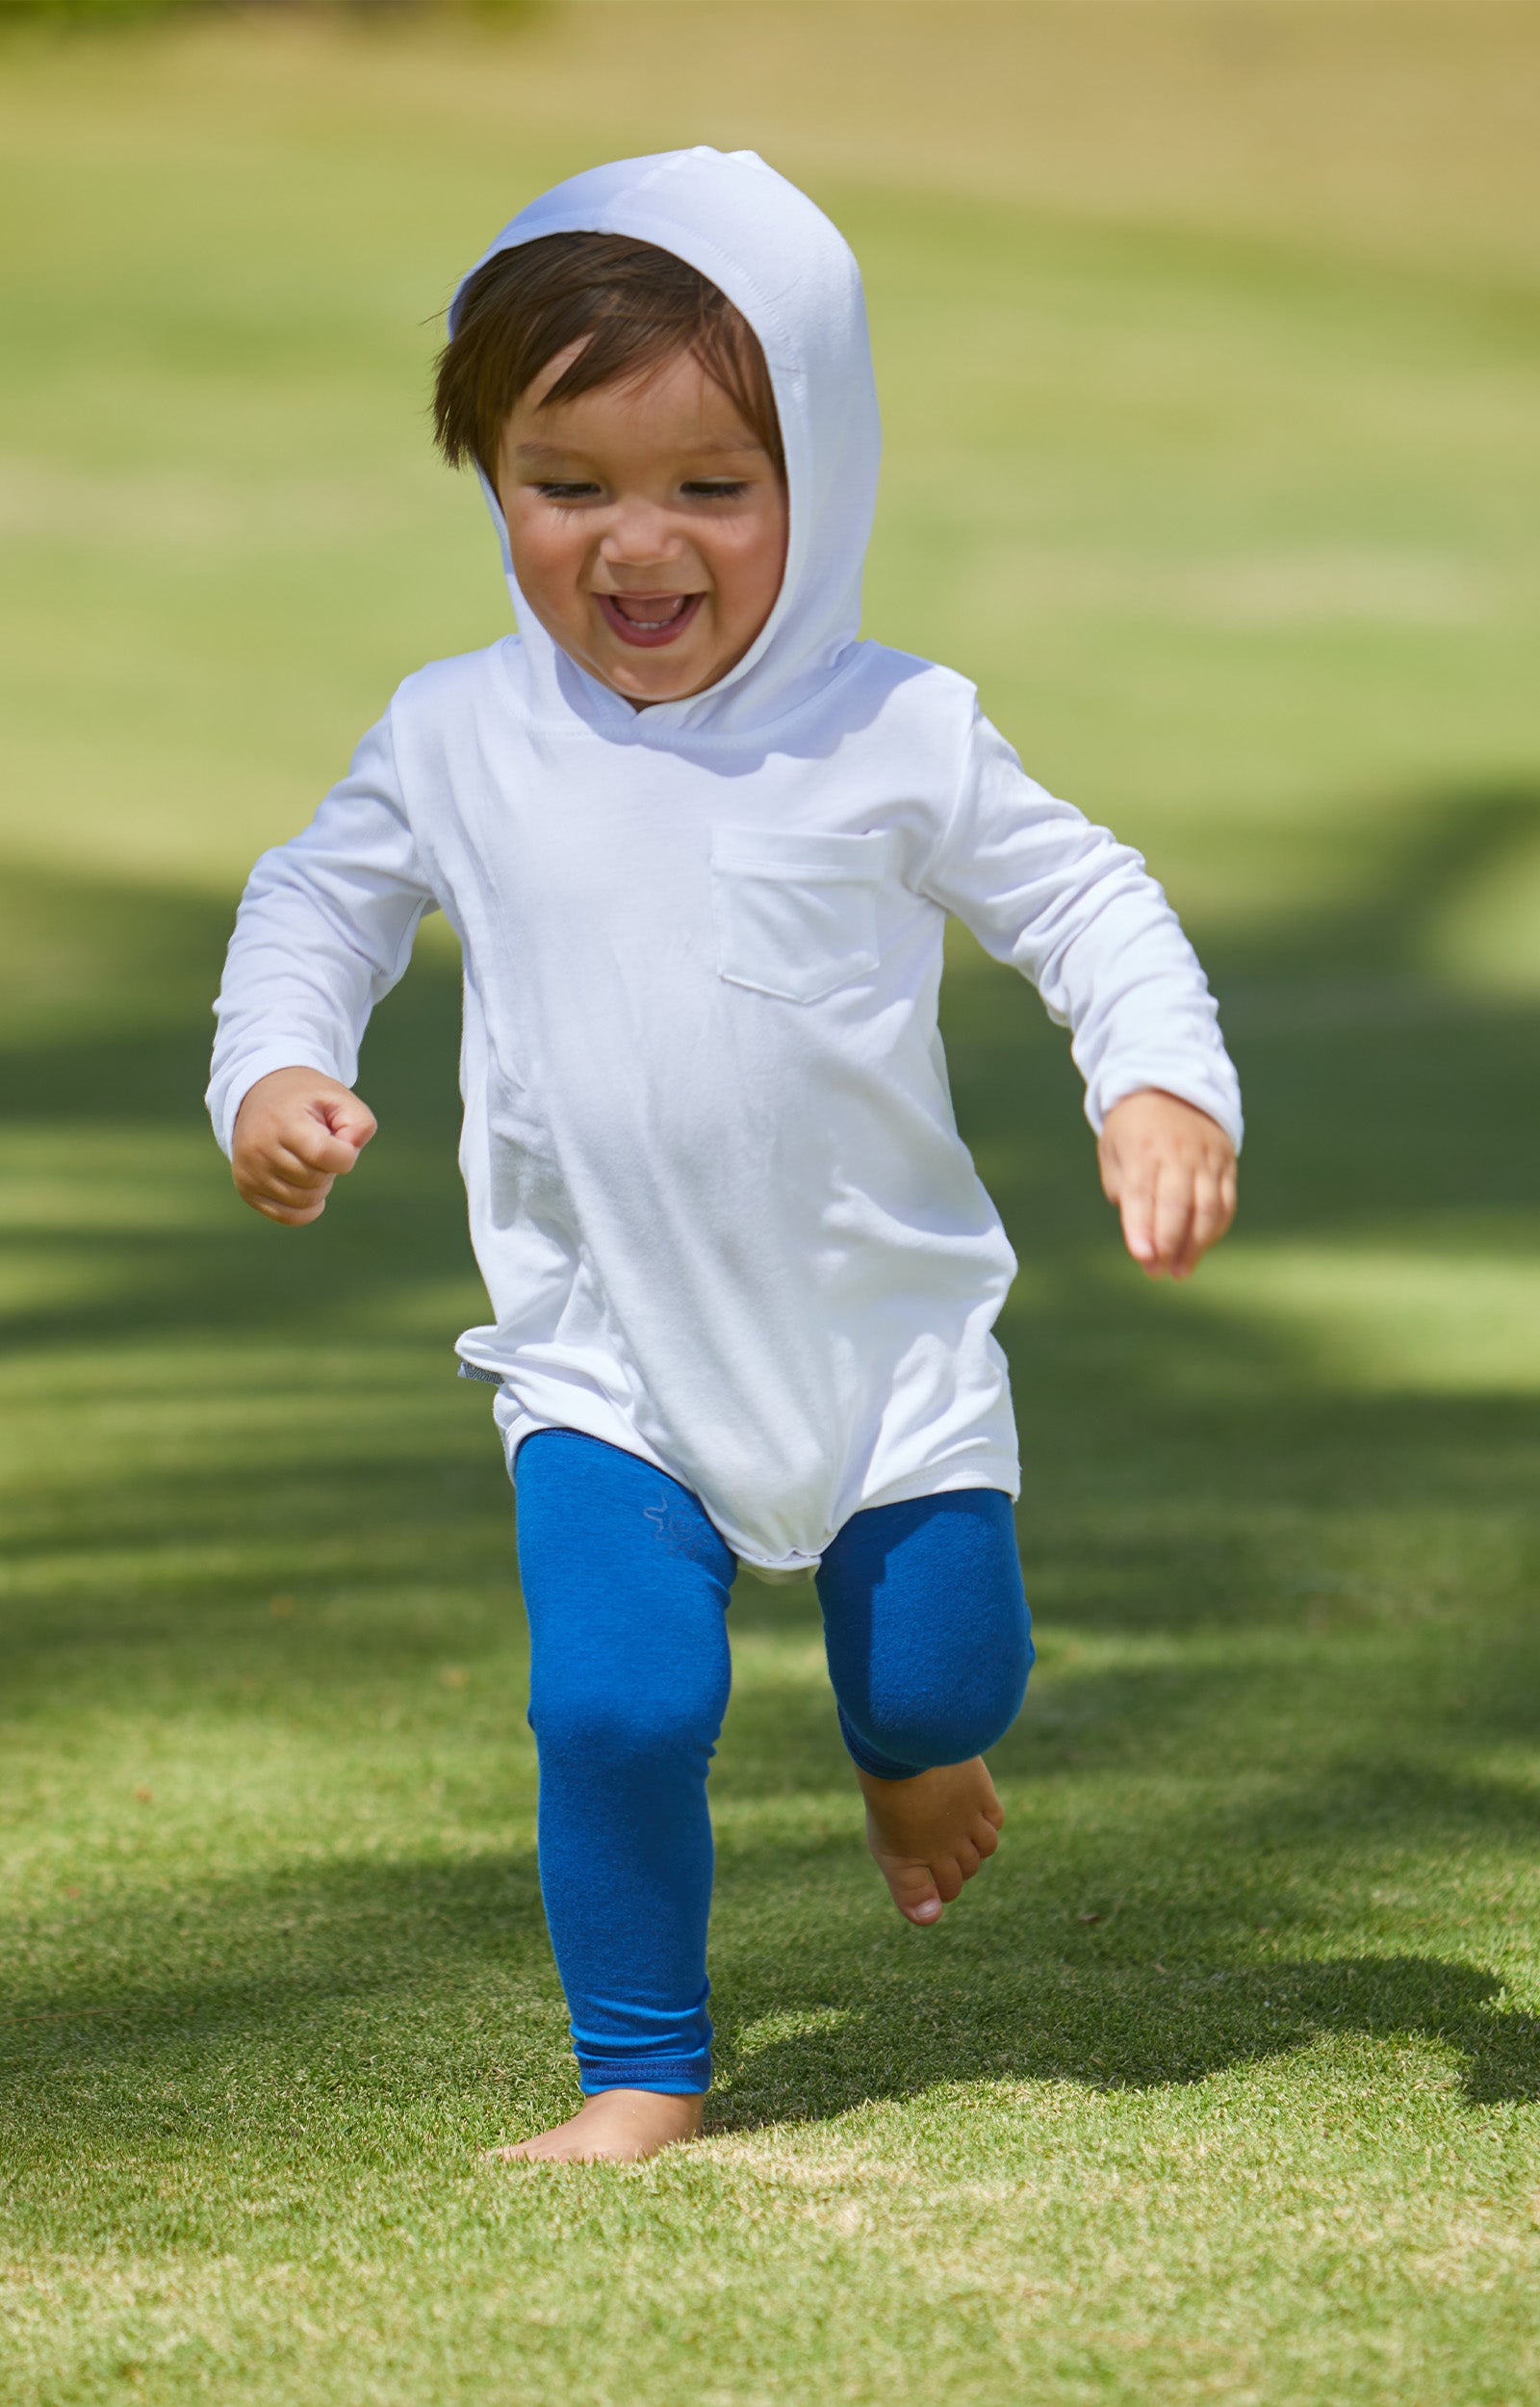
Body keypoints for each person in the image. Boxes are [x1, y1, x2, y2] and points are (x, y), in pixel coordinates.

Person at [207, 149, 1241, 2165]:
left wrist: (1157, 1080)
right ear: (487, 475)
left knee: (949, 1669)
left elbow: (1086, 904)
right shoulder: (454, 731)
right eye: (563, 482)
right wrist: (274, 1067)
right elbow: (312, 903)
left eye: (710, 487)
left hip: (879, 1352)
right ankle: (640, 2073)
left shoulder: (895, 731)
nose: (631, 543)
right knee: (611, 1707)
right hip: (606, 1354)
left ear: (822, 479)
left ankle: (899, 1741)